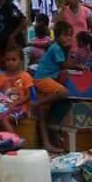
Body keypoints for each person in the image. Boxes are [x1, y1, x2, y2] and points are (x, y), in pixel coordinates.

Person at [33, 21, 77, 150]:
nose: (68, 38)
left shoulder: (59, 48)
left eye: (70, 35)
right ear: (57, 37)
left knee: (43, 115)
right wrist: (78, 65)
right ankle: (35, 103)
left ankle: (46, 143)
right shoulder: (56, 47)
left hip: (42, 79)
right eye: (65, 35)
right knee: (64, 92)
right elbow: (64, 65)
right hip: (43, 79)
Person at [0, 47, 33, 134]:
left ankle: (16, 140)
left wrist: (15, 103)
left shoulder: (25, 76)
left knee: (3, 118)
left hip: (20, 109)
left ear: (21, 61)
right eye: (8, 60)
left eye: (14, 60)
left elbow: (28, 95)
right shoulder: (1, 76)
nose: (10, 62)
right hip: (3, 108)